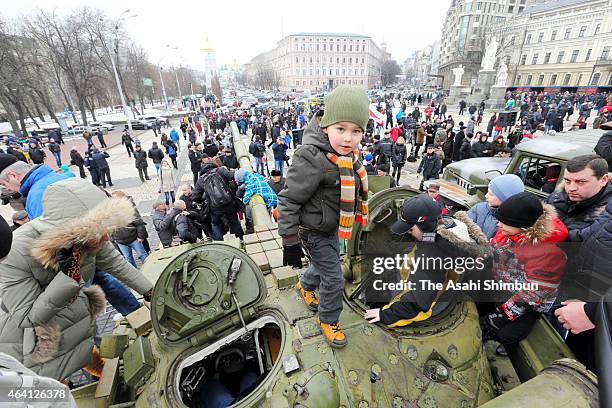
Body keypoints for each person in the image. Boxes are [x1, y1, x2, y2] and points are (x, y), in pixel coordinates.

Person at [0, 179, 153, 381]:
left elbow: (117, 264)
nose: (107, 239)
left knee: (93, 364)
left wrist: (150, 291)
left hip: (75, 327)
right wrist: (67, 277)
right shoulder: (17, 252)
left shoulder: (90, 235)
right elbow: (27, 316)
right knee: (53, 390)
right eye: (101, 231)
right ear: (75, 230)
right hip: (34, 345)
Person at [278, 85, 370, 348]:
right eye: (341, 129)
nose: (348, 138)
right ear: (326, 125)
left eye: (356, 131)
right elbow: (289, 198)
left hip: (330, 227)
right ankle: (328, 319)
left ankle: (305, 286)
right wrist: (289, 241)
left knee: (323, 265)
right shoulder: (312, 156)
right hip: (312, 231)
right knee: (334, 278)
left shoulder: (348, 156)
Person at [364, 194, 490, 327]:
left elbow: (418, 304)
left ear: (424, 226)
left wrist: (385, 315)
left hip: (425, 305)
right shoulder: (450, 225)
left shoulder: (433, 256)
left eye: (411, 229)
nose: (408, 232)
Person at [482, 192, 568, 345]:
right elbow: (492, 252)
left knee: (505, 335)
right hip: (504, 285)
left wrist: (498, 317)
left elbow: (532, 296)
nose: (498, 226)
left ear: (523, 226)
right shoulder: (507, 232)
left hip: (530, 303)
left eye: (504, 222)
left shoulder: (548, 254)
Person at [547, 154, 611, 239]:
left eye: (581, 182)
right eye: (567, 181)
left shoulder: (607, 216)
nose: (571, 188)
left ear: (603, 180)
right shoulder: (558, 195)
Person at [193, 156, 244, 241]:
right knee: (234, 221)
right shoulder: (220, 170)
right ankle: (241, 238)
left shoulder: (201, 179)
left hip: (215, 207)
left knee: (215, 223)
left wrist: (205, 198)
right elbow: (232, 176)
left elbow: (195, 197)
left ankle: (219, 242)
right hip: (228, 202)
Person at [0, 154, 67, 219]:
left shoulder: (37, 195)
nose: (7, 189)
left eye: (4, 184)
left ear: (14, 176)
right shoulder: (58, 176)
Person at [467, 174, 525, 239]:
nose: (486, 196)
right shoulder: (479, 208)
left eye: (491, 194)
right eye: (487, 192)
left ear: (505, 199)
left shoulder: (511, 223)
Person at [110, 191, 148, 268]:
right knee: (128, 259)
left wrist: (141, 236)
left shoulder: (129, 208)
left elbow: (139, 223)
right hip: (120, 241)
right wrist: (113, 239)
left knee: (143, 255)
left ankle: (150, 269)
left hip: (133, 238)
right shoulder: (110, 210)